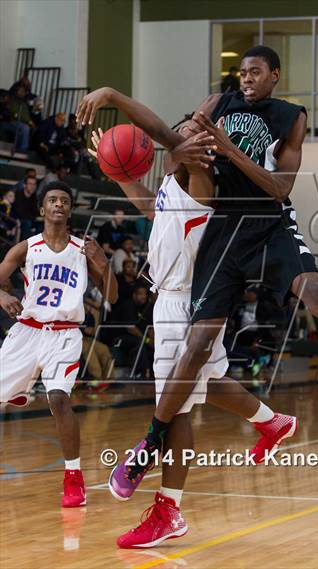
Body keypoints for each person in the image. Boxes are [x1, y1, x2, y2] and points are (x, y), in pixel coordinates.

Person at [77, 44, 318, 492]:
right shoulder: (196, 146)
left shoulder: (254, 140)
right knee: (200, 369)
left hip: (262, 222)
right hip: (221, 241)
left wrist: (118, 97)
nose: (246, 78)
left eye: (255, 71)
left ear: (274, 75)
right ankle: (253, 426)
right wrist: (118, 149)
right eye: (242, 72)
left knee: (311, 293)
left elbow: (277, 187)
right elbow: (162, 153)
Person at [87, 127, 297, 548]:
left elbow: (180, 144)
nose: (173, 138)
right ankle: (272, 422)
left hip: (186, 301)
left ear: (198, 148)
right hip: (179, 301)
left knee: (178, 409)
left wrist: (120, 104)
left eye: (184, 133)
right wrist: (116, 169)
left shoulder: (202, 178)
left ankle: (169, 511)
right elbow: (151, 207)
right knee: (205, 384)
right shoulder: (173, 182)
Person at [0, 180, 118, 507]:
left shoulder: (84, 250)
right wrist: (3, 296)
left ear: (69, 210)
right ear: (42, 209)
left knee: (58, 399)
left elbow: (112, 295)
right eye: (52, 200)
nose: (58, 204)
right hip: (27, 331)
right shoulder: (26, 248)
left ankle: (73, 478)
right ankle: (19, 389)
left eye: (64, 200)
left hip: (65, 334)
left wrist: (103, 263)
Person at [13, 174, 38, 239]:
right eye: (30, 184)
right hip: (15, 219)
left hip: (28, 220)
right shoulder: (18, 195)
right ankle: (25, 247)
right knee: (27, 223)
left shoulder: (34, 197)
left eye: (34, 184)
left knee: (43, 224)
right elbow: (19, 213)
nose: (32, 186)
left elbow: (35, 212)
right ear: (24, 185)